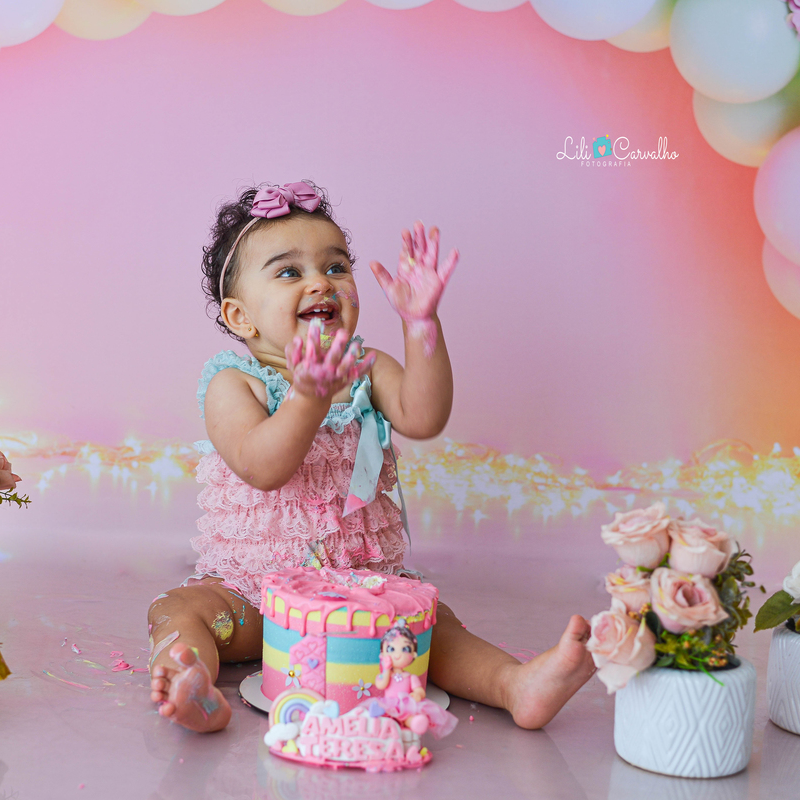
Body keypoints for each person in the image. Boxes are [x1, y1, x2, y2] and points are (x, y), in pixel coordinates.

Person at [148, 181, 595, 732]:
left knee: (436, 626)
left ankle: (514, 684)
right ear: (241, 317)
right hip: (256, 601)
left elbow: (423, 416)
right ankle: (192, 681)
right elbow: (263, 466)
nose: (320, 282)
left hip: (365, 596)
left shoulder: (366, 368)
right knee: (180, 611)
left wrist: (420, 325)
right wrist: (309, 395)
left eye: (336, 267)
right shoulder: (234, 384)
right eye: (289, 272)